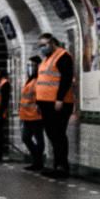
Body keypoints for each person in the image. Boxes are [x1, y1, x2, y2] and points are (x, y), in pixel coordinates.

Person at [34, 33, 76, 177]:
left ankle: (62, 167)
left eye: (44, 45)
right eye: (40, 46)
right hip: (46, 103)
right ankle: (56, 164)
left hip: (58, 104)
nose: (42, 48)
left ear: (52, 43)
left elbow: (66, 79)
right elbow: (41, 82)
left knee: (58, 135)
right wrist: (38, 102)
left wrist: (59, 99)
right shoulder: (46, 59)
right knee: (52, 134)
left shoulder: (62, 56)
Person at [18, 56, 46, 171]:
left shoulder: (39, 80)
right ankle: (37, 159)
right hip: (27, 115)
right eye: (28, 66)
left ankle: (38, 162)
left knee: (38, 139)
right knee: (26, 138)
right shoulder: (30, 79)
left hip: (36, 115)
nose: (30, 68)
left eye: (32, 65)